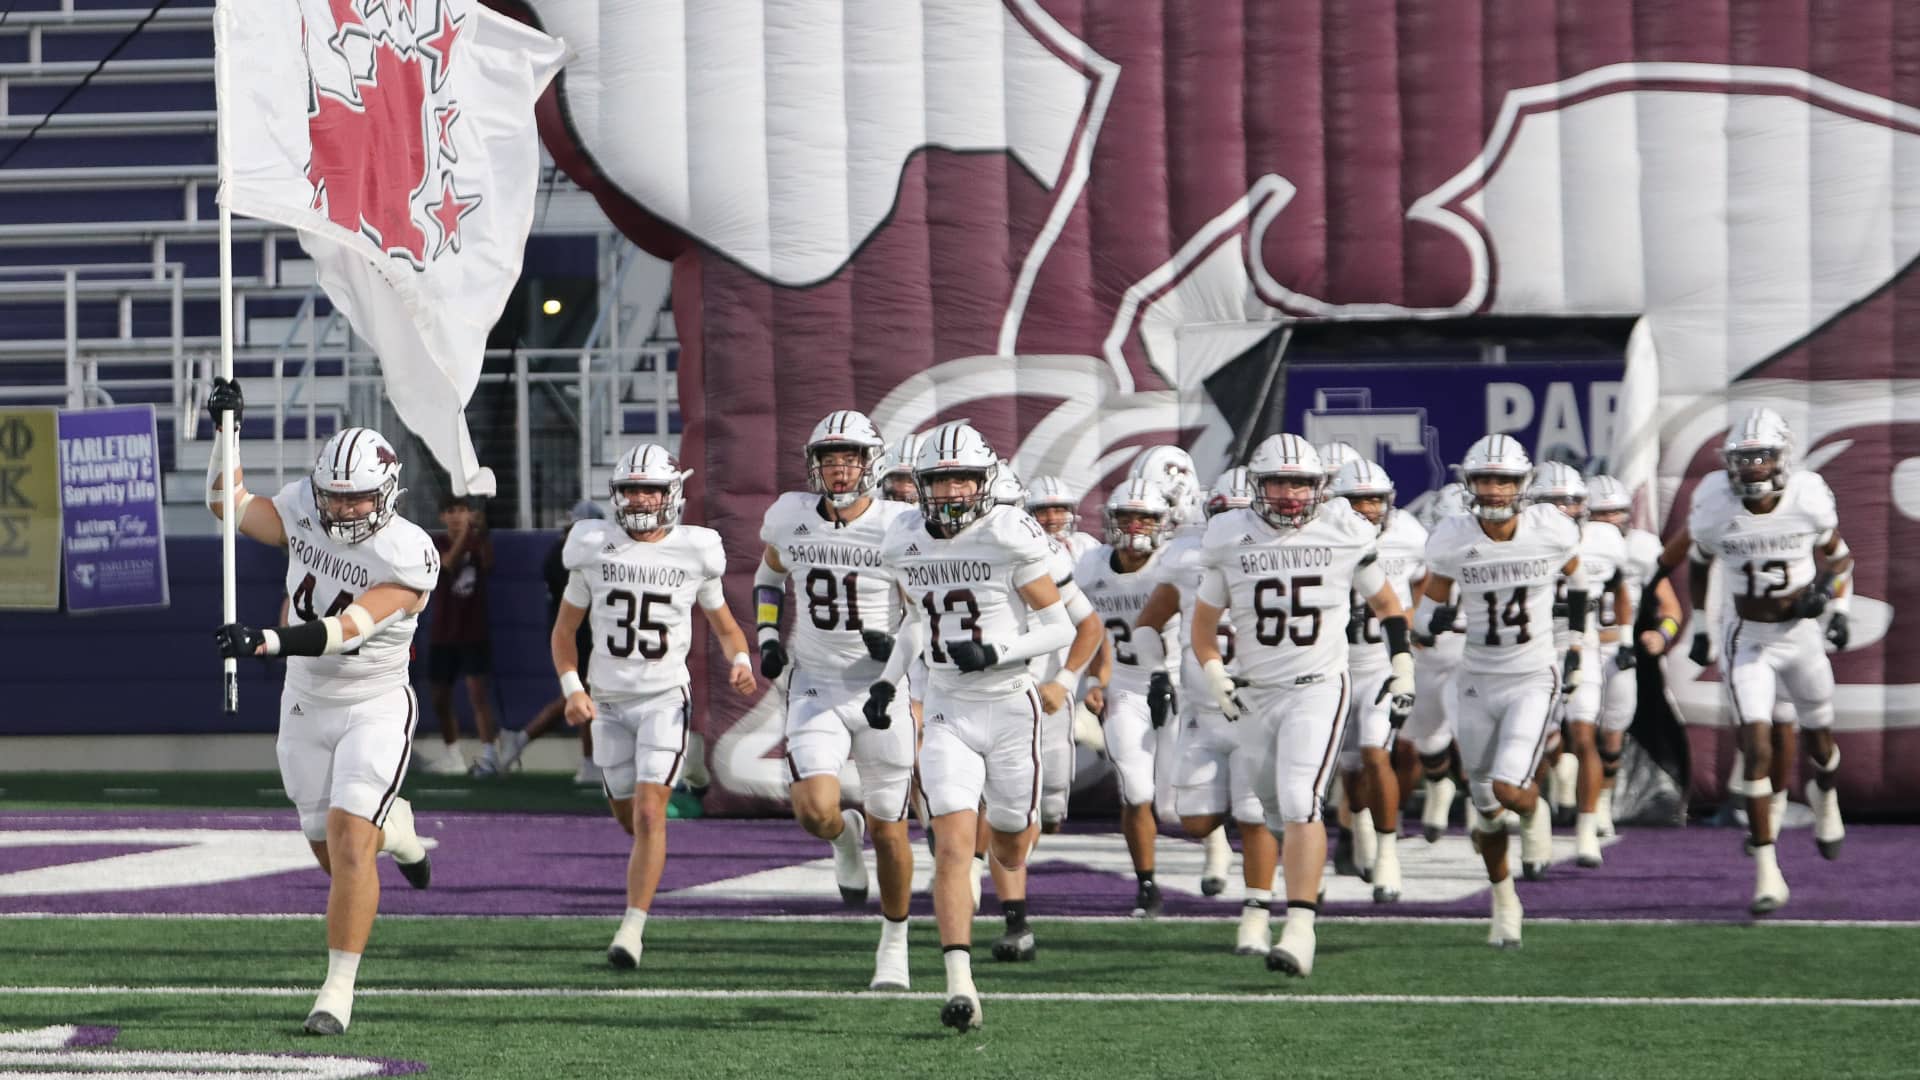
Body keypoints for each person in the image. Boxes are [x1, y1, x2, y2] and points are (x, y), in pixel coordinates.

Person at [205, 378, 433, 1035]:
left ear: (387, 493)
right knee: (334, 853)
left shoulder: (408, 552)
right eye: (334, 495)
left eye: (358, 496)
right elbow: (230, 504)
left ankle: (336, 993)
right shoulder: (307, 507)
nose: (343, 508)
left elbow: (348, 628)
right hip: (305, 702)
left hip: (373, 702)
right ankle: (400, 830)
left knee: (350, 852)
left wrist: (266, 640)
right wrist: (228, 433)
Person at [872, 421, 1075, 1032]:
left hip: (1012, 704)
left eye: (963, 477)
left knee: (1011, 839)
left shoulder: (1008, 533)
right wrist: (887, 681)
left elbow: (1060, 626)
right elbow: (913, 621)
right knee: (953, 848)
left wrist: (998, 652)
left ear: (985, 482)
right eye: (940, 479)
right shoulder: (904, 536)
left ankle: (1006, 865)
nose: (953, 490)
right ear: (922, 485)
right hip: (947, 710)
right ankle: (961, 984)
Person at [1191, 434, 1415, 979]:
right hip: (1254, 691)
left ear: (1319, 488)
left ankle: (1299, 926)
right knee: (1267, 808)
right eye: (1278, 483)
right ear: (1257, 487)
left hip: (1318, 686)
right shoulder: (1228, 535)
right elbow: (1202, 626)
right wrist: (1216, 673)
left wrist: (1402, 664)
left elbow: (1388, 605)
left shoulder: (1344, 529)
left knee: (1298, 801)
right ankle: (1275, 902)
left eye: (1300, 484)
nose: (1290, 495)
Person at [550, 443, 758, 967]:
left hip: (665, 698)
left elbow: (728, 628)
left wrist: (740, 659)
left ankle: (631, 930)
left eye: (651, 489)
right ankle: (653, 846)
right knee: (630, 816)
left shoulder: (694, 552)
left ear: (673, 495)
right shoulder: (593, 548)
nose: (641, 499)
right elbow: (565, 632)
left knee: (648, 812)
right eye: (632, 490)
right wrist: (573, 688)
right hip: (609, 703)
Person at [1640, 408, 1852, 915]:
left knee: (1821, 741)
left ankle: (1827, 798)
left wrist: (1833, 603)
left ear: (1783, 459)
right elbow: (1697, 562)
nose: (1754, 467)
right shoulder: (1714, 501)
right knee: (1755, 745)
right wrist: (1702, 628)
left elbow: (1839, 557)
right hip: (1748, 639)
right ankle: (1767, 870)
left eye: (1763, 456)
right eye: (1745, 457)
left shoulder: (1807, 497)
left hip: (1799, 637)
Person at [754, 410, 918, 989]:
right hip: (818, 683)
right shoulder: (791, 517)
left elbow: (926, 613)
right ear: (813, 465)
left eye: (849, 458)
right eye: (829, 458)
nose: (839, 468)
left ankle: (894, 943)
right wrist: (768, 636)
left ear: (871, 464)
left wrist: (896, 648)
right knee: (814, 811)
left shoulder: (902, 524)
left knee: (892, 830)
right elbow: (768, 576)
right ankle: (842, 838)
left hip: (884, 689)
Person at [1418, 435, 1583, 948]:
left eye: (1504, 479)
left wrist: (1574, 641)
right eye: (1485, 479)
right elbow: (1428, 608)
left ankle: (1536, 809)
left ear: (1523, 485)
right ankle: (1504, 898)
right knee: (1486, 805)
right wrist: (1430, 621)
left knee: (1511, 789)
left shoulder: (1552, 530)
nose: (1494, 490)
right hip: (1474, 678)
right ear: (1469, 484)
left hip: (1532, 675)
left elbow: (1578, 581)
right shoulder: (1451, 537)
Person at [1137, 464, 1284, 955]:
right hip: (1202, 709)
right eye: (1225, 514)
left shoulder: (1284, 555)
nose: (1235, 526)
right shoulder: (1185, 556)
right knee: (1194, 819)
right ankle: (1227, 853)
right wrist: (1158, 670)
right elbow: (1148, 623)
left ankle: (1256, 916)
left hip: (1255, 704)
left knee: (1253, 813)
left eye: (1244, 514)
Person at [1074, 478, 1176, 917]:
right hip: (1125, 686)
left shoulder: (1175, 565)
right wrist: (1096, 681)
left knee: (1177, 807)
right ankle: (1147, 885)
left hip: (1176, 684)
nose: (1136, 527)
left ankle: (1217, 850)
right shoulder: (1089, 567)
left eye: (1146, 518)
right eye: (1128, 517)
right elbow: (1090, 633)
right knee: (1135, 789)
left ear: (1161, 523)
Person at [1524, 464, 1634, 869]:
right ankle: (1535, 829)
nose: (1563, 510)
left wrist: (1625, 638)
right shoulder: (1519, 538)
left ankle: (1586, 831)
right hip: (1531, 649)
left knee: (1585, 735)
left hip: (1582, 644)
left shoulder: (1604, 540)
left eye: (1570, 501)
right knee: (1533, 743)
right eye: (1554, 503)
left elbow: (1620, 588)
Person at [1329, 457, 1428, 902]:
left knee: (1376, 753)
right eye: (1357, 499)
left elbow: (1422, 580)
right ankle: (1355, 830)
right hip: (1331, 666)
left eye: (1374, 499)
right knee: (1349, 766)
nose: (1368, 508)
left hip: (1380, 665)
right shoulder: (1323, 536)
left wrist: (1407, 627)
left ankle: (1388, 853)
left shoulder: (1409, 534)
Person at [1585, 474, 1681, 836]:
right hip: (1577, 646)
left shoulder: (1640, 548)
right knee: (1572, 731)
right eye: (1602, 513)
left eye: (1618, 512)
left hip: (1617, 650)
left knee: (1612, 736)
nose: (1612, 520)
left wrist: (1662, 634)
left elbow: (1671, 609)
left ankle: (1601, 805)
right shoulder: (1572, 545)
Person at [503, 500, 607, 782]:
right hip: (578, 634)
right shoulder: (566, 556)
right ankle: (587, 762)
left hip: (580, 632)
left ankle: (523, 740)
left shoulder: (560, 552)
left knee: (580, 696)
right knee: (584, 695)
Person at [425, 495, 502, 776]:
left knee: (478, 694)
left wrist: (481, 534)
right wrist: (468, 533)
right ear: (442, 517)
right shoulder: (435, 544)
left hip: (473, 632)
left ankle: (490, 755)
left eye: (462, 510)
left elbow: (489, 563)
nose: (457, 516)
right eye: (451, 511)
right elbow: (446, 565)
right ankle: (452, 754)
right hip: (443, 632)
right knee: (439, 697)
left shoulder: (477, 541)